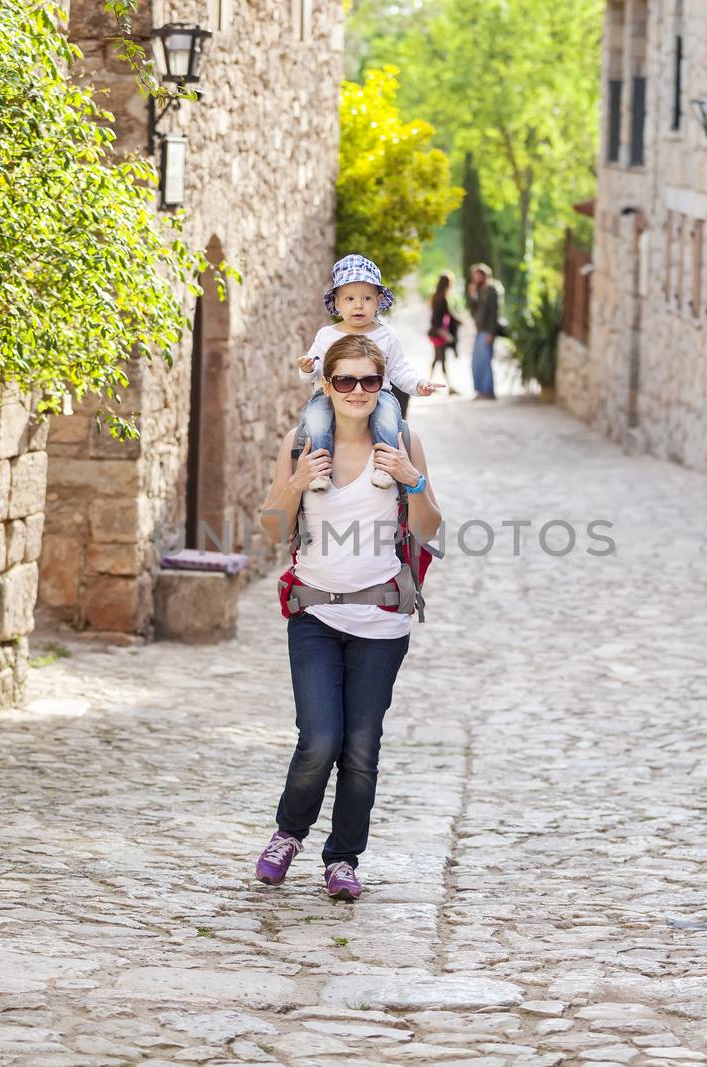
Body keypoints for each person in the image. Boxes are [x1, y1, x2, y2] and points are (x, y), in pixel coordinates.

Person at [255, 335, 442, 902]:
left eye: (368, 382)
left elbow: (431, 529)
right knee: (319, 738)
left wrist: (412, 479)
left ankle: (342, 859)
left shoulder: (403, 441)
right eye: (344, 381)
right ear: (326, 385)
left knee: (361, 747)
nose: (357, 391)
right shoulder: (301, 443)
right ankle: (288, 834)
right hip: (313, 613)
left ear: (382, 387)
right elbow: (270, 529)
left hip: (382, 619)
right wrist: (294, 483)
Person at [296, 255, 438, 491]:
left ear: (378, 301)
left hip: (377, 393)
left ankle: (384, 466)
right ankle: (320, 471)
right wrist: (308, 368)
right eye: (350, 298)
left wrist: (418, 385)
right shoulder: (326, 335)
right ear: (338, 303)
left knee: (387, 418)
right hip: (330, 393)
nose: (358, 305)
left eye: (367, 298)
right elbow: (317, 368)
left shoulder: (386, 335)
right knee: (316, 419)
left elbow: (400, 368)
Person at [466, 263, 503, 400]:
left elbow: (495, 313)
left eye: (478, 275)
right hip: (480, 330)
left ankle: (488, 391)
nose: (475, 278)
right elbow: (473, 312)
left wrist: (491, 333)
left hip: (487, 331)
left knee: (485, 361)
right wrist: (472, 295)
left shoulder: (492, 289)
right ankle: (481, 390)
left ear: (484, 275)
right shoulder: (480, 290)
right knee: (477, 362)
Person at [427, 273, 462, 395]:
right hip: (439, 332)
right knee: (441, 359)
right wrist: (460, 322)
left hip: (434, 332)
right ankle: (449, 387)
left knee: (437, 358)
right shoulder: (443, 299)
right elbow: (449, 314)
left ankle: (430, 384)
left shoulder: (435, 297)